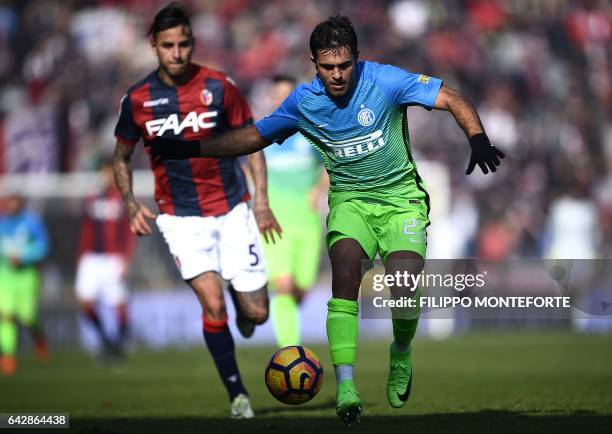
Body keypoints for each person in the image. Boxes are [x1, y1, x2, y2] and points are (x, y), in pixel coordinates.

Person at [150, 15, 504, 424]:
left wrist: (476, 138)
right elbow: (254, 137)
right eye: (327, 67)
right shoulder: (303, 102)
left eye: (344, 65)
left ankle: (401, 354)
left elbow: (452, 98)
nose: (336, 75)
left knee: (404, 287)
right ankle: (347, 386)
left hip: (401, 200)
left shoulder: (386, 81)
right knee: (345, 273)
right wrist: (194, 149)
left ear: (357, 58)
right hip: (349, 202)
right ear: (313, 63)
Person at [112, 3, 280, 418]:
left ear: (192, 44)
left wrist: (261, 202)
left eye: (183, 44)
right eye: (168, 45)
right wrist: (132, 203)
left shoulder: (220, 87)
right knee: (212, 306)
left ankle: (245, 309)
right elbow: (120, 157)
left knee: (257, 313)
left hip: (233, 208)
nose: (176, 53)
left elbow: (252, 140)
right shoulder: (137, 99)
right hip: (180, 218)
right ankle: (237, 394)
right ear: (154, 46)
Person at [261, 75, 328, 348]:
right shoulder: (261, 132)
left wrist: (318, 188)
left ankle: (288, 328)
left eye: (287, 94)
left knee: (300, 288)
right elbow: (247, 168)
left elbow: (329, 164)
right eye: (277, 94)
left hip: (307, 219)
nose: (281, 99)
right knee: (284, 286)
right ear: (271, 98)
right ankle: (289, 350)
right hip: (274, 221)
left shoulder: (311, 133)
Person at [75, 157, 135, 362]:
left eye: (110, 172)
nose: (106, 176)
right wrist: (81, 255)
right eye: (103, 172)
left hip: (113, 257)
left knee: (118, 303)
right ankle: (105, 341)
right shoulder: (92, 199)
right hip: (91, 257)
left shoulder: (124, 199)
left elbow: (129, 232)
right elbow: (86, 230)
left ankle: (119, 343)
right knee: (85, 302)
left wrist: (126, 259)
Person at [0, 193, 49, 376]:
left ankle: (40, 339)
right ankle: (8, 357)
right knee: (6, 316)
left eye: (16, 203)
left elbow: (43, 246)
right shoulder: (2, 224)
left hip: (27, 275)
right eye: (10, 203)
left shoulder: (32, 222)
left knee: (27, 317)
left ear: (21, 205)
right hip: (5, 275)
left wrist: (24, 257)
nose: (13, 206)